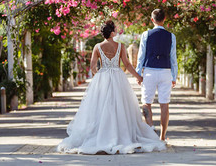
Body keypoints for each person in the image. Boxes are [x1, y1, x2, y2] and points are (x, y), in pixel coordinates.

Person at [57, 20, 166, 154]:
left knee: (101, 107)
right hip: (118, 77)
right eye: (115, 28)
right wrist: (139, 77)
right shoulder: (120, 46)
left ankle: (102, 135)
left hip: (102, 77)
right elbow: (127, 64)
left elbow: (92, 67)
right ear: (112, 32)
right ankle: (120, 135)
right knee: (120, 106)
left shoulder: (97, 47)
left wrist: (99, 77)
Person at [136, 9, 178, 141]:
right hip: (165, 71)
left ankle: (150, 129)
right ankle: (163, 136)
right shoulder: (171, 36)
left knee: (146, 102)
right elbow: (173, 58)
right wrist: (174, 76)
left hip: (149, 71)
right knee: (164, 104)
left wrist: (138, 73)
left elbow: (141, 56)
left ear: (152, 19)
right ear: (164, 19)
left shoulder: (146, 34)